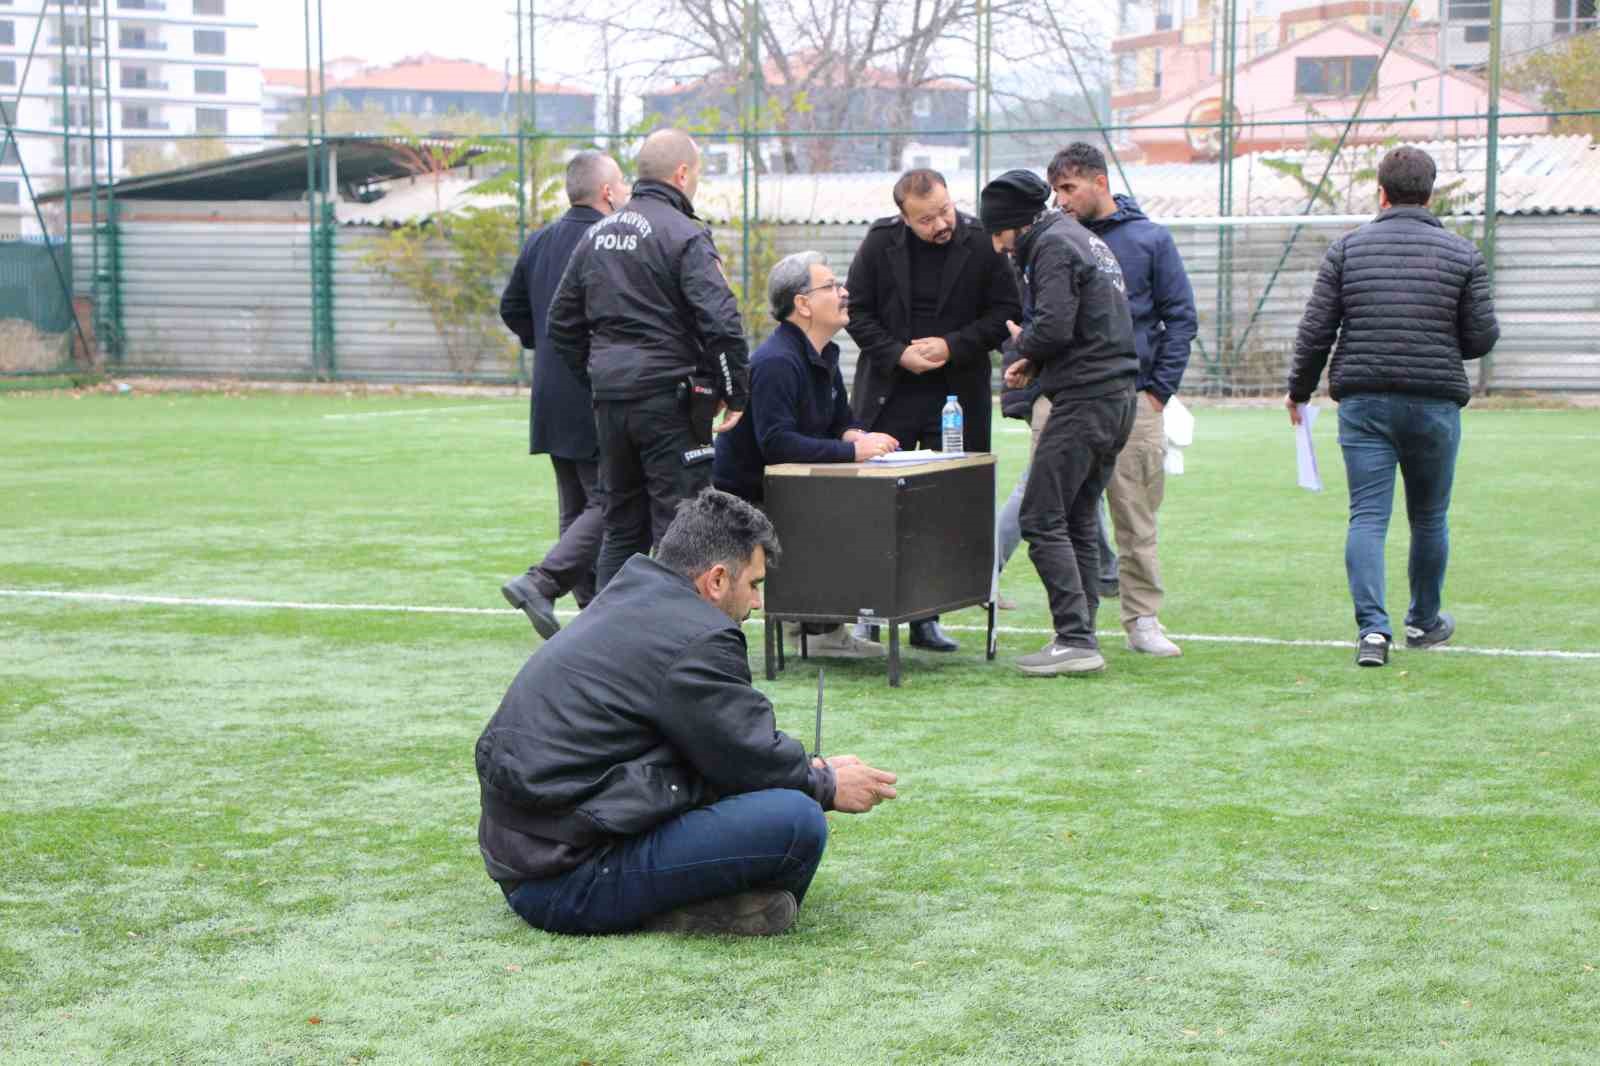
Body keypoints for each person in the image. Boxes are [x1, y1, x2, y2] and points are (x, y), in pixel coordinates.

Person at [476, 488, 898, 936]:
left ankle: (688, 902)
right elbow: (747, 757)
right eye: (754, 585)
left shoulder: (633, 594)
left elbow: (728, 750)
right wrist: (826, 782)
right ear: (716, 580)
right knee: (797, 823)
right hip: (566, 880)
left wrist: (807, 771)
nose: (756, 603)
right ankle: (682, 910)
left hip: (527, 858)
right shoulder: (698, 637)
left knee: (757, 790)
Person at [1286, 145, 1499, 667]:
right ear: (1429, 194)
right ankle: (1424, 621)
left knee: (1367, 517)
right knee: (1429, 517)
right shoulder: (1463, 254)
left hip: (1363, 402)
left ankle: (1373, 633)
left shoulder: (1346, 250)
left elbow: (1317, 331)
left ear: (1380, 192)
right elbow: (1482, 337)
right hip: (1434, 403)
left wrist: (1299, 390)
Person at [548, 128, 749, 593]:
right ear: (682, 174)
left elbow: (561, 322)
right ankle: (677, 641)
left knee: (621, 525)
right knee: (685, 527)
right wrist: (735, 389)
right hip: (669, 401)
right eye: (696, 173)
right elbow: (720, 320)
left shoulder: (596, 233)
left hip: (612, 401)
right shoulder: (685, 233)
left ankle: (610, 640)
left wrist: (600, 373)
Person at [846, 168, 1022, 652]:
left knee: (945, 506)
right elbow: (856, 313)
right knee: (877, 507)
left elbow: (1005, 313)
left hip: (955, 396)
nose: (941, 223)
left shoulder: (982, 243)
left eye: (944, 210)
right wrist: (898, 353)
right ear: (904, 217)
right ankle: (868, 615)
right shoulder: (879, 243)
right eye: (926, 219)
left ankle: (928, 617)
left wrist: (950, 346)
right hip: (890, 392)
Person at [981, 170, 1138, 676]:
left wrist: (1021, 348)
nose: (997, 246)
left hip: (1085, 399)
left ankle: (1074, 637)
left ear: (1014, 225)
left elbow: (1053, 324)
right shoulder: (1083, 240)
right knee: (1076, 518)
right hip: (1116, 396)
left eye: (998, 233)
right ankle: (1083, 632)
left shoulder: (1051, 246)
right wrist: (1037, 358)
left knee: (1040, 516)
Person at [1049, 142, 1198, 658]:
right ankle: (1075, 625)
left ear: (1099, 182)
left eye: (1069, 188)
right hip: (1066, 401)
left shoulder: (1150, 239)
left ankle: (1142, 621)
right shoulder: (1053, 242)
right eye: (1055, 191)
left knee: (1134, 519)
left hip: (1134, 400)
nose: (1062, 200)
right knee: (1063, 517)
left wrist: (1159, 390)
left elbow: (1180, 317)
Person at [714, 251, 899, 659]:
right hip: (748, 499)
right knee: (842, 515)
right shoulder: (777, 361)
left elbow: (839, 421)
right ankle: (815, 630)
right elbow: (777, 445)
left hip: (789, 489)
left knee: (861, 505)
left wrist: (859, 436)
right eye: (831, 286)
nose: (844, 292)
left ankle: (823, 628)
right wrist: (852, 450)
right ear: (802, 304)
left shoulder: (823, 353)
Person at [496, 151, 630, 638]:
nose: (628, 191)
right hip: (594, 389)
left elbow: (511, 308)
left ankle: (590, 617)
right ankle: (542, 583)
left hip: (550, 391)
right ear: (608, 192)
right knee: (610, 501)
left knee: (576, 507)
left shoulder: (540, 240)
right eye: (623, 183)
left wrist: (545, 345)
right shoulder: (610, 241)